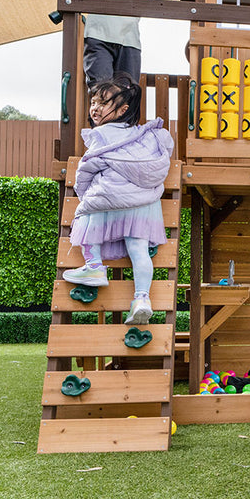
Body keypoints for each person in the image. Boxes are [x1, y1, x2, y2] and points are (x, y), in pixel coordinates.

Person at [63, 76, 173, 326]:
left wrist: (85, 195)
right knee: (139, 250)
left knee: (84, 216)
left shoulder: (99, 134)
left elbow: (86, 169)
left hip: (108, 204)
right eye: (94, 102)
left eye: (103, 103)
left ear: (123, 110)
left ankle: (94, 266)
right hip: (145, 207)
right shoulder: (145, 137)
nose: (95, 108)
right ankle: (142, 299)